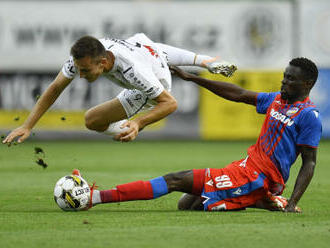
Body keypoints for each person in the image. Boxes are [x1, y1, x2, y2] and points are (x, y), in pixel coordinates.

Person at [73, 57, 322, 213]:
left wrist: (292, 203)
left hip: (258, 177)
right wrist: (193, 79)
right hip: (245, 168)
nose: (284, 83)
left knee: (175, 180)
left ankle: (94, 197)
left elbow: (309, 163)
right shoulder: (277, 100)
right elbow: (237, 93)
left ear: (307, 84)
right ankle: (260, 200)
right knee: (187, 204)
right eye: (284, 77)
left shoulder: (309, 116)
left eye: (291, 79)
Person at [2, 33, 237, 144]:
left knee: (91, 120)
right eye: (79, 70)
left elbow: (170, 103)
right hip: (148, 54)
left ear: (102, 63)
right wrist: (27, 125)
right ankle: (125, 129)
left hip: (156, 84)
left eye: (85, 71)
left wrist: (139, 123)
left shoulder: (134, 71)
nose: (80, 76)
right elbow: (55, 88)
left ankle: (128, 129)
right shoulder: (86, 55)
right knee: (94, 120)